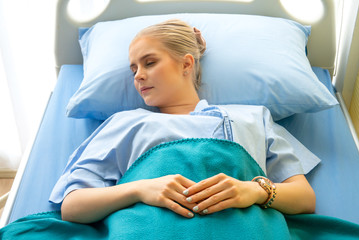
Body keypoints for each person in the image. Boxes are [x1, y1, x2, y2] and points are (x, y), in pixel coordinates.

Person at [50, 19, 318, 224]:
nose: (138, 76)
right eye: (134, 69)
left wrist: (254, 191)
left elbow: (304, 198)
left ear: (186, 64)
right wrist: (140, 189)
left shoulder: (252, 117)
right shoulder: (123, 123)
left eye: (149, 62)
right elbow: (73, 206)